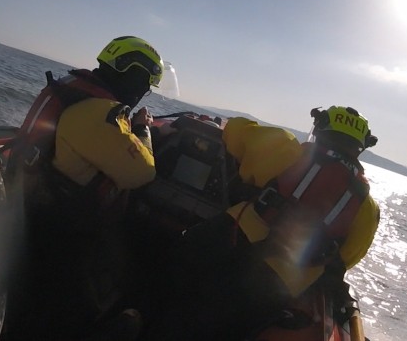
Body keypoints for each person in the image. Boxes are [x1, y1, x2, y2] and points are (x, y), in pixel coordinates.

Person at [143, 106, 381, 341]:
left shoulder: (285, 149)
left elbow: (236, 129)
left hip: (231, 241)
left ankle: (137, 315)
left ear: (319, 129)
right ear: (360, 146)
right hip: (277, 286)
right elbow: (346, 258)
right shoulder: (367, 208)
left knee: (176, 262)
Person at [3, 35, 164, 341]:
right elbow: (142, 174)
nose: (143, 92)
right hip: (62, 229)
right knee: (77, 313)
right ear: (133, 76)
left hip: (27, 208)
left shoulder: (70, 90)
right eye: (145, 84)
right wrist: (143, 129)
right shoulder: (98, 113)